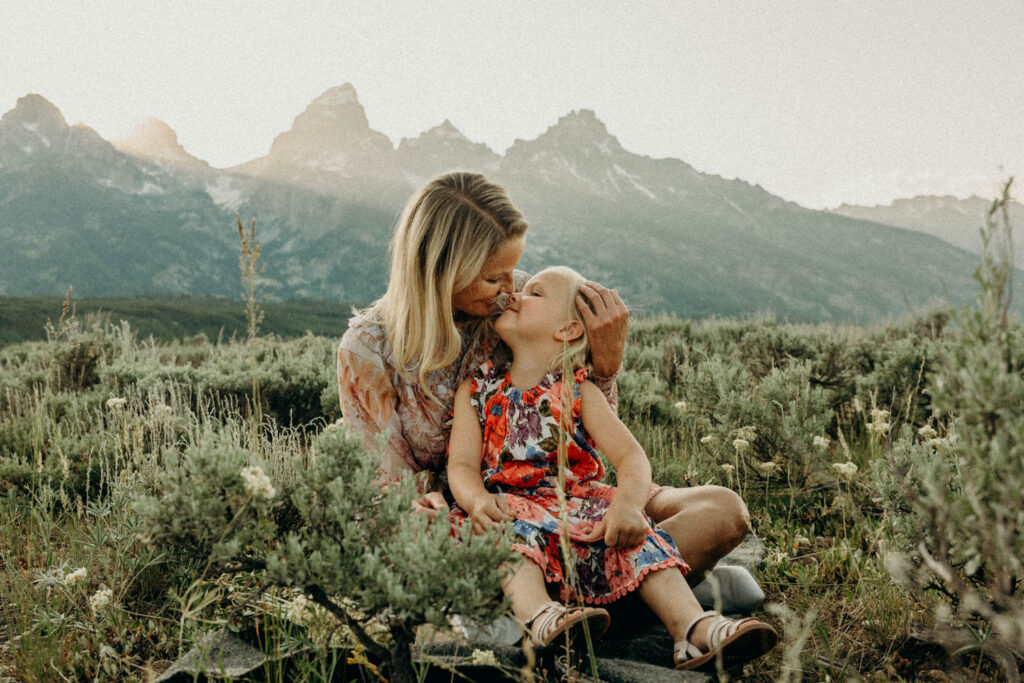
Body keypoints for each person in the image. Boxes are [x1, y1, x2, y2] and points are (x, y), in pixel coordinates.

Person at [336, 172, 758, 619]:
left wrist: (604, 368)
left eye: (513, 273)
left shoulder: (515, 307)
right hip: (485, 523)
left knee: (723, 511)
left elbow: (575, 422)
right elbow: (387, 488)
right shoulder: (366, 350)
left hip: (561, 500)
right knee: (408, 543)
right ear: (440, 270)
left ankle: (554, 607)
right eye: (493, 278)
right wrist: (435, 503)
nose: (510, 291)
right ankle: (659, 590)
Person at [446, 266, 777, 671]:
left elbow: (631, 457)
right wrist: (477, 499)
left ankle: (693, 628)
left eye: (533, 293)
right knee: (508, 538)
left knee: (636, 540)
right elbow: (461, 464)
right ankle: (541, 617)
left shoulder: (578, 390)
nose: (513, 294)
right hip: (512, 507)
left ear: (567, 329)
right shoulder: (477, 390)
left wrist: (628, 506)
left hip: (578, 510)